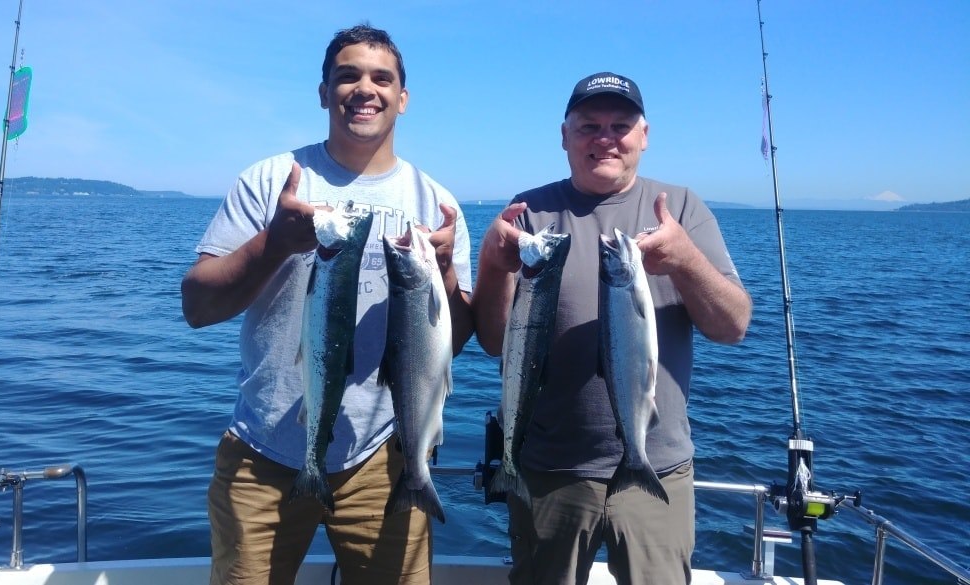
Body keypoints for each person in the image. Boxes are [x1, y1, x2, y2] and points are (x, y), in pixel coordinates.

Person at [180, 24, 473, 585]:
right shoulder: (270, 180)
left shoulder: (436, 202)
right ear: (323, 93)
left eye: (381, 78)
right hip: (262, 450)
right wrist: (275, 243)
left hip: (387, 456)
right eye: (348, 76)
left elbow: (453, 342)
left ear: (403, 98)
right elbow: (197, 306)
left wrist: (446, 270)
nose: (365, 89)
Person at [471, 72, 752, 585]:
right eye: (588, 126)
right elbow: (494, 341)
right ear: (564, 135)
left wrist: (685, 259)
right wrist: (491, 264)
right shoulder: (528, 211)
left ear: (644, 135)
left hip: (659, 466)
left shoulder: (682, 208)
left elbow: (733, 326)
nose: (605, 138)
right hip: (550, 471)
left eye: (620, 125)